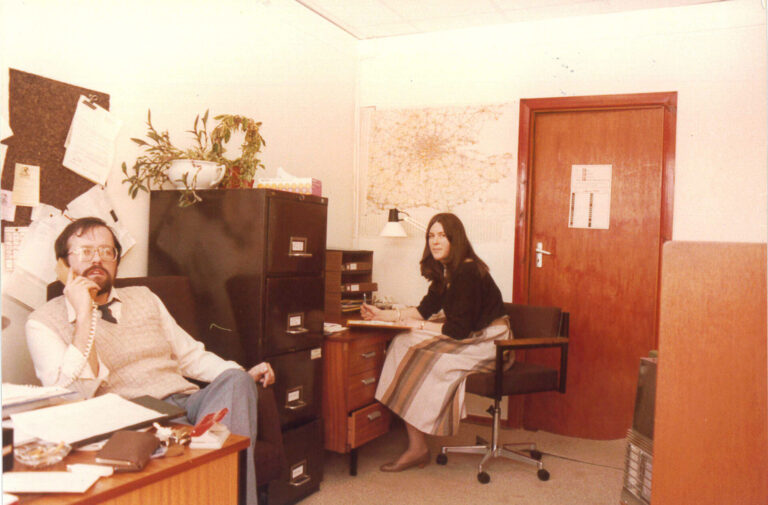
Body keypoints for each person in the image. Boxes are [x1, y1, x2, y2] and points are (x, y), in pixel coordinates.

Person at [25, 217, 273, 505]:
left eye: (107, 251)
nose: (98, 259)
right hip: (132, 418)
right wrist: (83, 316)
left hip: (187, 402)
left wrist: (242, 372)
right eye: (86, 251)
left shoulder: (144, 297)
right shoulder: (42, 323)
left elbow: (190, 355)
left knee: (236, 380)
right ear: (63, 266)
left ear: (117, 260)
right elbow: (72, 397)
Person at [360, 212, 510, 472]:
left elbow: (458, 331)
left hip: (491, 341)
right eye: (431, 235)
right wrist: (384, 315)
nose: (435, 241)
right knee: (402, 342)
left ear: (456, 239)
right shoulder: (446, 272)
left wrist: (416, 327)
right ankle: (417, 446)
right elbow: (423, 311)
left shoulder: (467, 270)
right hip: (468, 334)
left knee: (420, 353)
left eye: (442, 235)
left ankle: (417, 446)